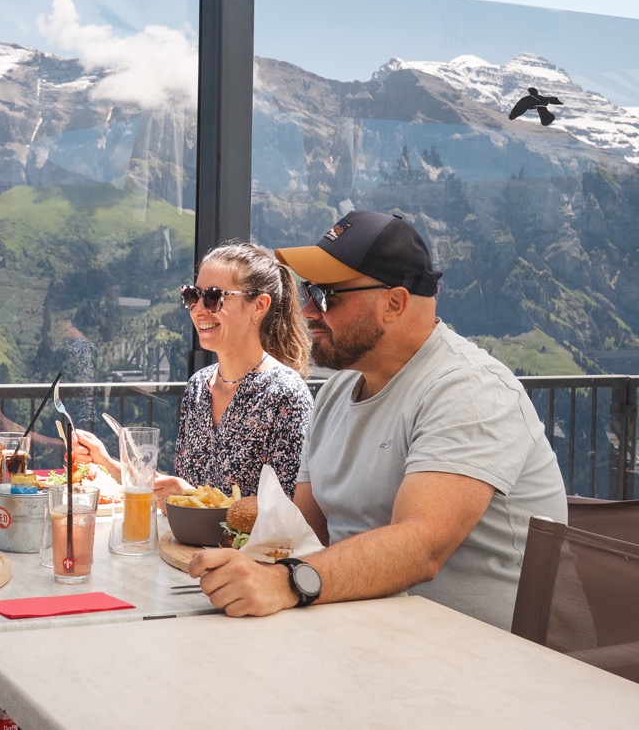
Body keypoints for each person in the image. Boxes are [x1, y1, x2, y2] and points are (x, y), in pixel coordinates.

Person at [187, 210, 567, 630]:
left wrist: (285, 582)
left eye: (327, 295)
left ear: (394, 303)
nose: (308, 310)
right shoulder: (336, 392)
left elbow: (420, 546)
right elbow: (304, 531)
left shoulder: (469, 389)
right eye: (308, 292)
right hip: (363, 631)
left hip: (474, 657)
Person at [74, 241, 312, 499]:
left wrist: (194, 499)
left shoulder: (287, 396)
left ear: (259, 306)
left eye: (213, 298)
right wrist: (106, 462)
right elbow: (178, 489)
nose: (197, 310)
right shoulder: (199, 386)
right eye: (192, 296)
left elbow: (292, 519)